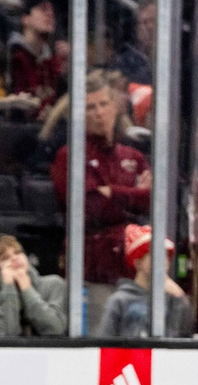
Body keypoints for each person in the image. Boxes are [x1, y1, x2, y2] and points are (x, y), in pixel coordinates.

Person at [51, 70, 150, 327]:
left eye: (103, 104)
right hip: (93, 273)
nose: (98, 112)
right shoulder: (69, 156)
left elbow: (152, 201)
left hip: (135, 272)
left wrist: (112, 192)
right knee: (97, 347)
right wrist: (132, 196)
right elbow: (90, 207)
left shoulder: (133, 156)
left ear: (116, 107)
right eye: (90, 107)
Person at [98, 225, 196, 338]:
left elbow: (184, 339)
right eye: (155, 255)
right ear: (137, 263)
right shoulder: (119, 301)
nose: (163, 261)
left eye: (166, 256)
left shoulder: (173, 298)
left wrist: (180, 298)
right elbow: (105, 342)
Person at [0, 234, 67, 338]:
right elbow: (6, 337)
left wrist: (27, 289)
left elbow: (55, 329)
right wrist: (9, 288)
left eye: (18, 252)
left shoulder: (54, 284)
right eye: (5, 258)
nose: (14, 258)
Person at [7, 0, 65, 114]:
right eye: (43, 9)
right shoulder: (10, 57)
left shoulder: (54, 62)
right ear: (25, 19)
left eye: (52, 11)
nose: (50, 14)